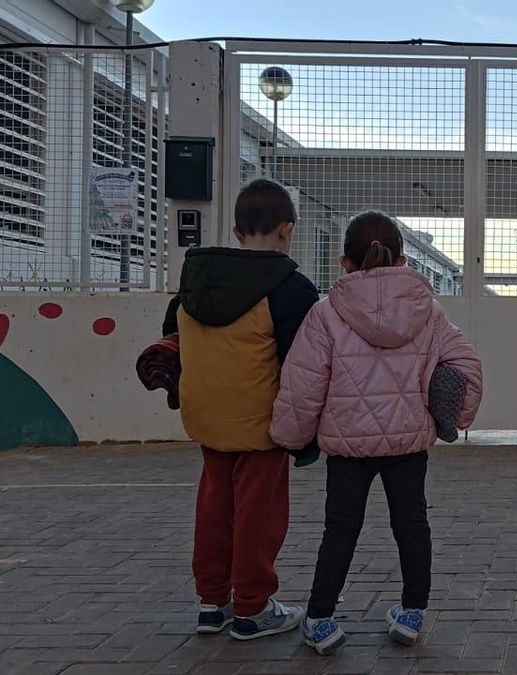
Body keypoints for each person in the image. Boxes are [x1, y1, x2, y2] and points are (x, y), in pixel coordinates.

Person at [270, 211, 482, 656]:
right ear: (403, 259)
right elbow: (466, 367)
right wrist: (454, 417)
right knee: (412, 523)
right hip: (408, 442)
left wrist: (291, 436)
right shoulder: (429, 310)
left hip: (348, 446)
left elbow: (304, 383)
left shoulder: (325, 313)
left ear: (344, 263)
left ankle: (322, 619)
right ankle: (411, 614)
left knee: (340, 530)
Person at [163, 178, 319, 640]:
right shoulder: (291, 289)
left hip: (207, 418)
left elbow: (173, 340)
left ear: (235, 231)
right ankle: (252, 608)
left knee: (213, 507)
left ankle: (212, 603)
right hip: (261, 425)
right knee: (258, 515)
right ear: (287, 230)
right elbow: (301, 367)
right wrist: (306, 432)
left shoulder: (193, 284)